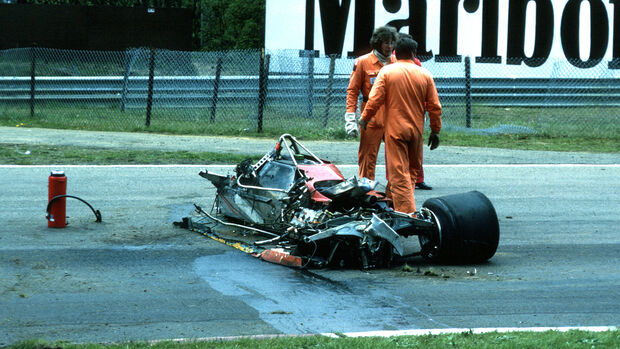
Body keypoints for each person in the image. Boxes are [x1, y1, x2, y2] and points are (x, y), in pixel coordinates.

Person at [359, 36, 442, 214]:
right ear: (414, 53)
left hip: (395, 131)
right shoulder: (425, 74)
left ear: (396, 52)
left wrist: (365, 118)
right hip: (416, 131)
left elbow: (374, 100)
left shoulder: (387, 72)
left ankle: (407, 213)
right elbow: (435, 107)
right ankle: (391, 204)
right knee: (412, 170)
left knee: (398, 174)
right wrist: (435, 131)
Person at [344, 26, 398, 181]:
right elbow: (352, 91)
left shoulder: (396, 62)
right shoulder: (363, 62)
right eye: (386, 43)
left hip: (392, 115)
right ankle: (367, 191)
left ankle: (394, 192)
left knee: (396, 157)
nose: (389, 46)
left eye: (392, 43)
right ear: (378, 43)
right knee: (368, 157)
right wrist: (350, 117)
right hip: (370, 116)